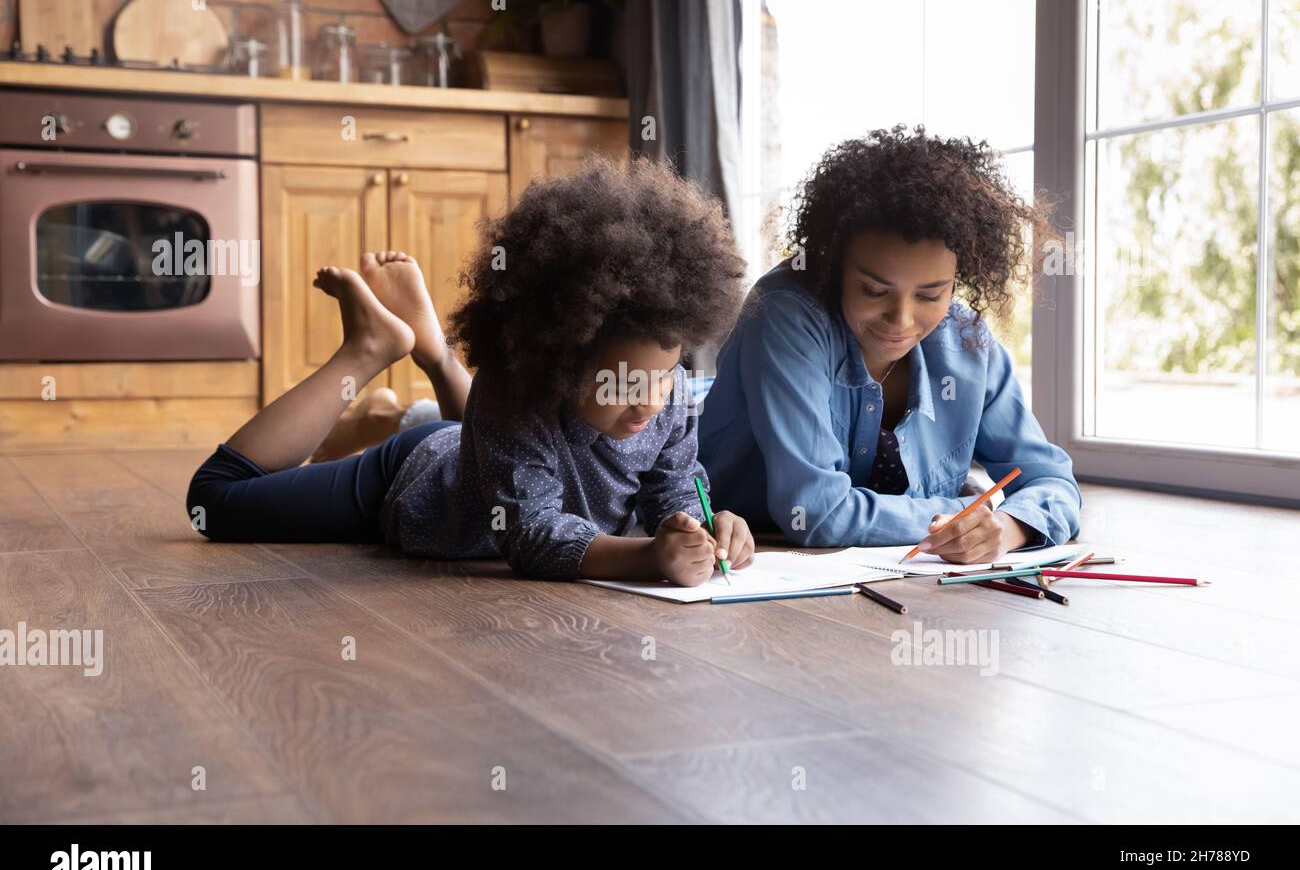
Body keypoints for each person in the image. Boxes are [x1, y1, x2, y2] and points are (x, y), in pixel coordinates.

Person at [186, 158, 755, 585]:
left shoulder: (668, 395)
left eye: (664, 377)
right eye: (624, 383)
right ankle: (367, 349)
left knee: (496, 440)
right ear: (555, 357)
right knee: (214, 502)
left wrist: (703, 527)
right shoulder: (515, 388)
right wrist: (647, 557)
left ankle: (434, 352)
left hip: (487, 446)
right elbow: (528, 532)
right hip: (421, 478)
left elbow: (674, 490)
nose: (649, 403)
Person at [698, 126, 1081, 563]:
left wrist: (1008, 528)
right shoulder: (785, 316)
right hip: (747, 557)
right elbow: (817, 514)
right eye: (874, 291)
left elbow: (1052, 482)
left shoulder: (968, 342)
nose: (900, 320)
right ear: (834, 265)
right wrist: (964, 512)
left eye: (931, 295)